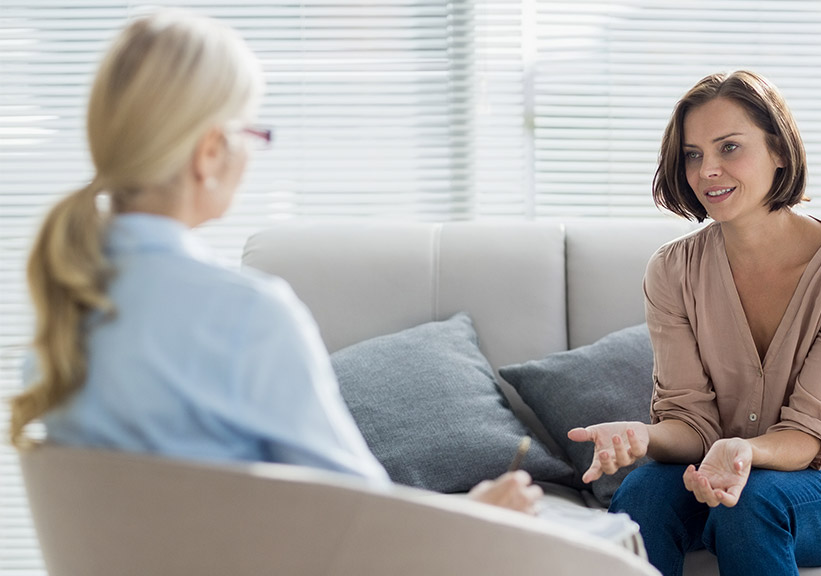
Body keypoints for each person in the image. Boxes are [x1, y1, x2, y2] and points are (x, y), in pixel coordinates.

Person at [8, 9, 540, 516]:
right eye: (250, 133)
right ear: (210, 152)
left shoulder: (63, 319)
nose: (252, 154)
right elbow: (363, 526)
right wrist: (476, 514)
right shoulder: (245, 316)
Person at [567, 70, 821, 575]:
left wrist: (742, 452)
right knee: (643, 493)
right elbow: (691, 423)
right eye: (693, 154)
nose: (708, 170)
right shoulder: (673, 271)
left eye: (729, 147)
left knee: (750, 505)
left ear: (780, 152)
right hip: (721, 469)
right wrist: (645, 436)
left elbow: (807, 438)